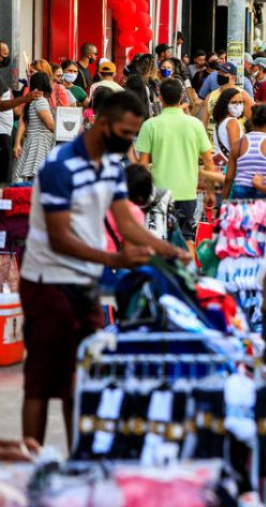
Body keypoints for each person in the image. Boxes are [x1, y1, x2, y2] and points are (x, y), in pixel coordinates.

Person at [20, 90, 186, 446]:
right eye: (126, 134)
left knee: (84, 377)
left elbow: (126, 222)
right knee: (42, 380)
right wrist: (115, 260)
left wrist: (168, 250)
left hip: (86, 282)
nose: (130, 141)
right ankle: (30, 469)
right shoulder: (59, 167)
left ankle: (79, 459)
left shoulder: (112, 167)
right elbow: (59, 237)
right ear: (104, 125)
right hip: (49, 281)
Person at [136, 78, 217, 247]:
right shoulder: (195, 125)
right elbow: (209, 162)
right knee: (187, 237)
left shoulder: (150, 125)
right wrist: (210, 191)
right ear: (181, 97)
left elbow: (142, 165)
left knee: (159, 239)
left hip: (159, 193)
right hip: (187, 191)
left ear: (160, 97)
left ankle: (162, 273)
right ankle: (188, 272)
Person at [14, 72, 56, 181]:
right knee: (39, 180)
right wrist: (65, 131)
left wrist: (17, 143)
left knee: (33, 179)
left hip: (33, 142)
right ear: (45, 84)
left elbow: (22, 121)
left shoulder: (31, 100)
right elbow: (50, 124)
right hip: (40, 143)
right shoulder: (41, 101)